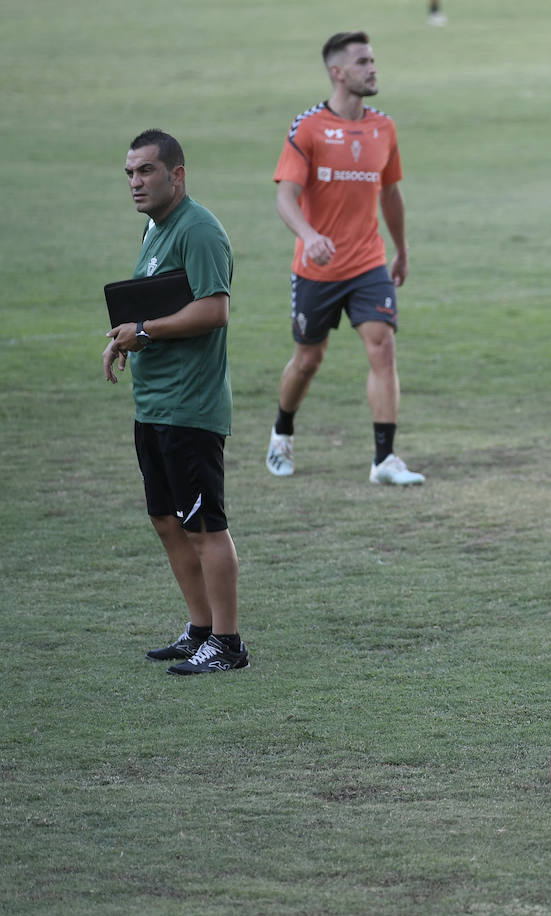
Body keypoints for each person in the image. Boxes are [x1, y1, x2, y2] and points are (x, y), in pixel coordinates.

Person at [103, 129, 248, 675]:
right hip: (153, 404)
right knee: (167, 520)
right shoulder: (154, 228)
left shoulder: (199, 231)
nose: (136, 183)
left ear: (176, 174)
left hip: (190, 407)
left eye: (145, 172)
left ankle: (229, 645)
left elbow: (214, 311)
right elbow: (155, 306)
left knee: (204, 526)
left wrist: (144, 329)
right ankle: (202, 628)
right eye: (130, 174)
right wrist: (127, 338)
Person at [267, 30, 424, 486]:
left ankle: (384, 459)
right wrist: (309, 235)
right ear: (337, 72)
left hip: (369, 263)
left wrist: (401, 250)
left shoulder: (384, 128)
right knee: (309, 359)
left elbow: (390, 194)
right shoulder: (308, 128)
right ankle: (282, 433)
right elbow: (286, 198)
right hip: (316, 268)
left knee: (383, 346)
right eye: (362, 62)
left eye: (373, 60)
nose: (372, 68)